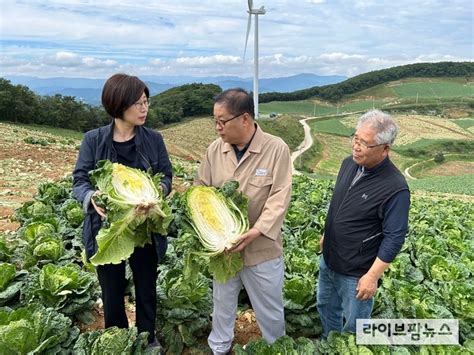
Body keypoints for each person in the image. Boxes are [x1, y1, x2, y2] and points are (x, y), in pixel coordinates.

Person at [72, 73, 172, 344]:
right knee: (112, 292)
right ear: (118, 105)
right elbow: (79, 180)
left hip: (145, 229)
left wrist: (157, 193)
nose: (144, 109)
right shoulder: (93, 140)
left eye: (146, 102)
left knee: (146, 289)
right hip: (108, 231)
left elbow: (165, 176)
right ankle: (117, 341)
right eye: (138, 103)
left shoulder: (154, 139)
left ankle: (147, 339)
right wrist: (91, 197)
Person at [195, 88, 292, 355]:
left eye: (222, 121)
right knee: (222, 304)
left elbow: (279, 198)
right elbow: (200, 189)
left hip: (261, 251)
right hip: (223, 251)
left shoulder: (276, 149)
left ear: (245, 119)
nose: (217, 128)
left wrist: (256, 230)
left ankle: (277, 349)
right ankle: (219, 348)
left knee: (270, 310)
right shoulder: (215, 150)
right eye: (214, 121)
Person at [317, 109, 410, 337]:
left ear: (385, 149)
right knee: (325, 307)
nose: (356, 146)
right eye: (355, 139)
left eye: (364, 143)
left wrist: (372, 276)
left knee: (355, 326)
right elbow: (339, 202)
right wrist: (327, 234)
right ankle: (330, 344)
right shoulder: (348, 163)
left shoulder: (395, 187)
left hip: (357, 272)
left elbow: (395, 236)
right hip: (329, 258)